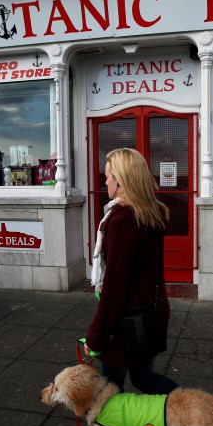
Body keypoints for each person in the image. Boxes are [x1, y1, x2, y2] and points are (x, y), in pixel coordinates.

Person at [84, 148, 178, 395]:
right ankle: (190, 407)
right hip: (149, 314)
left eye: (107, 176)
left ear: (120, 180)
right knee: (143, 377)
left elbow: (115, 287)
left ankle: (192, 409)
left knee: (109, 388)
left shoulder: (122, 220)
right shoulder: (149, 212)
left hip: (127, 323)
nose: (104, 181)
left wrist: (96, 337)